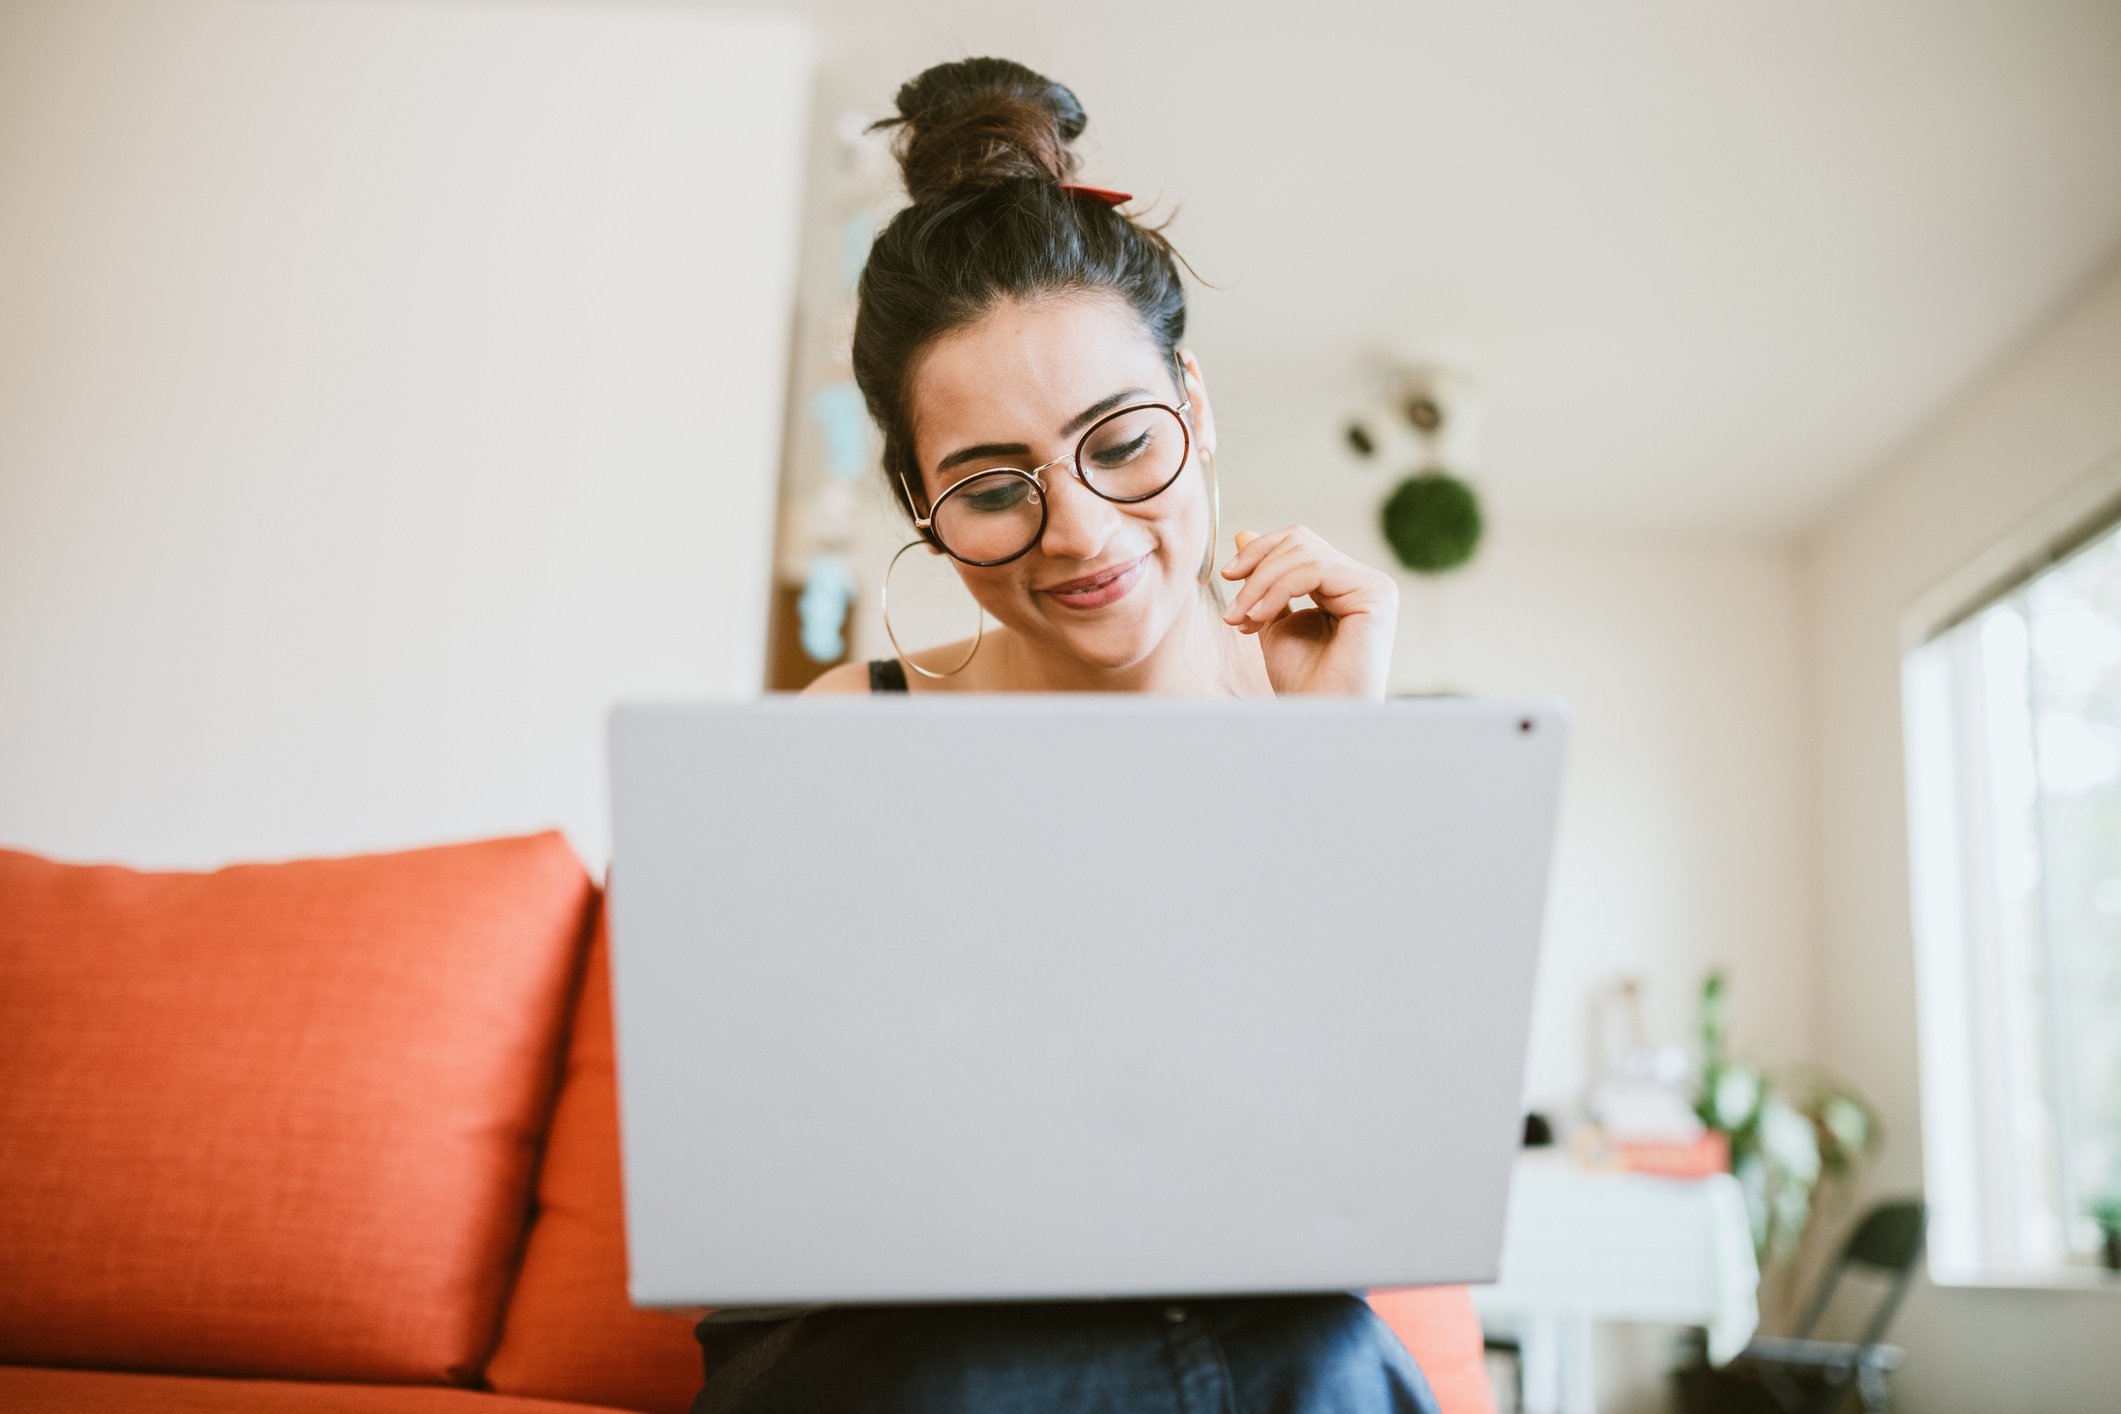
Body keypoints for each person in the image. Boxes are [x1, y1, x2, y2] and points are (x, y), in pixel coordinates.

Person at [690, 57, 1437, 1414]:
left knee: (1325, 1353)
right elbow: (778, 1155)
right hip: (887, 1331)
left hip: (1234, 1316)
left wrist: (1328, 764)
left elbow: (1356, 1180)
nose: (1081, 532)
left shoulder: (1311, 706)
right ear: (921, 505)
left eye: (1121, 442)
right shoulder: (856, 729)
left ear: (1193, 403)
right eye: (991, 488)